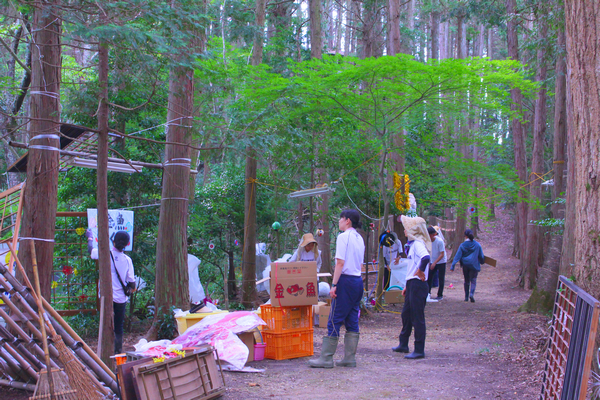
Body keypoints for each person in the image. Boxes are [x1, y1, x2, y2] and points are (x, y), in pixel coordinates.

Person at [309, 209, 365, 369]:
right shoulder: (359, 238)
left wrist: (334, 285)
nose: (339, 221)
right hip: (357, 280)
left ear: (347, 220)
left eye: (341, 218)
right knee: (352, 319)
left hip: (346, 281)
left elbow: (340, 263)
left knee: (334, 318)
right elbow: (360, 264)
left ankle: (326, 358)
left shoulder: (343, 237)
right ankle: (349, 358)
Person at [86, 230, 136, 354]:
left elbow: (90, 250)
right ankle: (117, 352)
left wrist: (90, 238)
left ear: (113, 241)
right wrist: (131, 289)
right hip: (120, 298)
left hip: (105, 297)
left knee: (105, 324)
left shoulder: (104, 254)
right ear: (127, 244)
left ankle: (104, 350)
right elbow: (132, 282)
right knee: (118, 326)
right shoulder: (127, 260)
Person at [392, 215, 431, 359]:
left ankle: (419, 349)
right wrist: (407, 285)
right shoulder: (413, 245)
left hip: (418, 284)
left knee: (417, 317)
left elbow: (425, 258)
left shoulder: (419, 244)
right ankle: (403, 344)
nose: (404, 230)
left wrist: (420, 271)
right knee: (406, 314)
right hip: (412, 284)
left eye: (407, 228)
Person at [451, 229, 485, 303]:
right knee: (473, 280)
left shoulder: (462, 245)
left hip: (465, 265)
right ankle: (471, 294)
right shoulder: (477, 245)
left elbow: (457, 256)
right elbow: (481, 256)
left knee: (466, 281)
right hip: (474, 265)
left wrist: (453, 265)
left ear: (465, 236)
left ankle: (466, 297)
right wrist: (482, 261)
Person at [427, 226, 447, 301]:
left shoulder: (439, 241)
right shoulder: (427, 241)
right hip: (432, 261)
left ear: (433, 235)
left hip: (441, 261)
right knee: (429, 278)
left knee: (441, 278)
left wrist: (435, 262)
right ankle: (428, 293)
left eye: (429, 235)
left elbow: (442, 254)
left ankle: (440, 294)